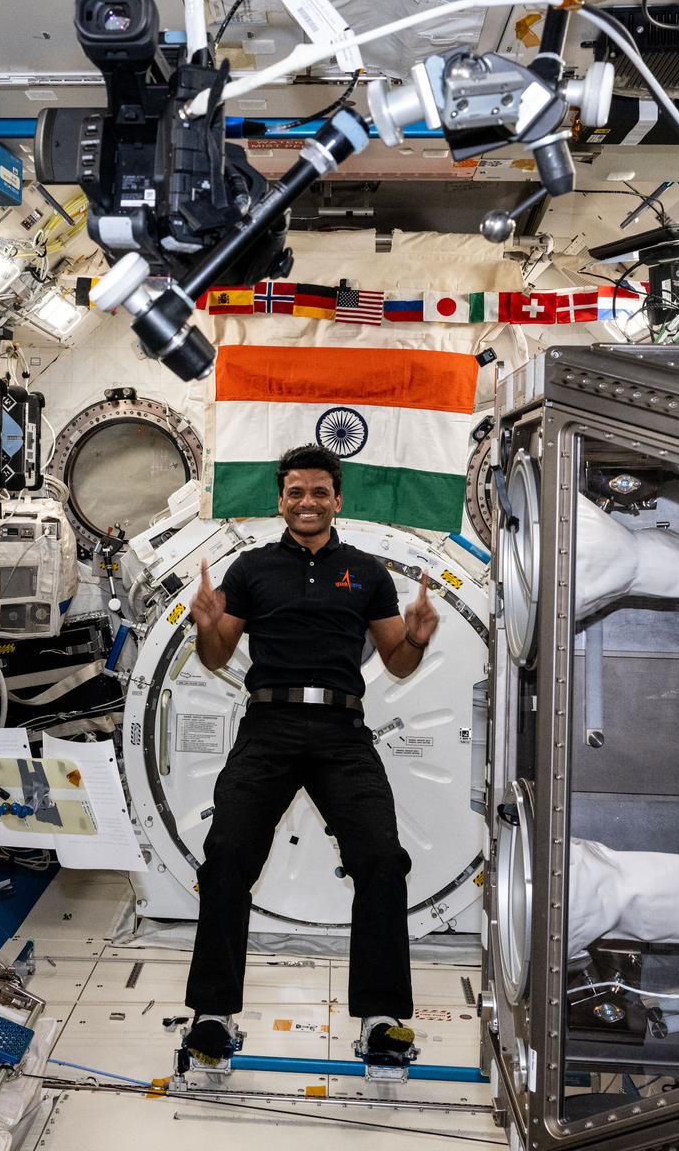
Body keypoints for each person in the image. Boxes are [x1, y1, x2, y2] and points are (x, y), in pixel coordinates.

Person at [179, 444, 440, 1067]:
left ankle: (381, 1019)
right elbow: (216, 657)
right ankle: (212, 1013)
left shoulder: (367, 572)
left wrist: (418, 639)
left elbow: (397, 662)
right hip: (267, 725)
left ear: (337, 499)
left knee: (380, 858)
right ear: (281, 499)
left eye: (319, 492)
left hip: (342, 733)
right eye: (296, 492)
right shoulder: (251, 570)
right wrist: (206, 623)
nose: (307, 502)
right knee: (226, 857)